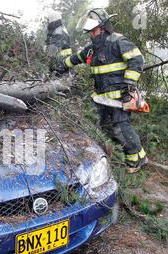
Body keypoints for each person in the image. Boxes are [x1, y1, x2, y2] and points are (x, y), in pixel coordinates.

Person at [60, 8, 148, 173]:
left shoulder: (118, 41)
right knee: (90, 125)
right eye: (89, 32)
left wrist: (129, 86)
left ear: (103, 27)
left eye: (94, 30)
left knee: (121, 129)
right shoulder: (92, 49)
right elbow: (76, 58)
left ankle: (137, 160)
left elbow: (137, 59)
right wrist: (61, 65)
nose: (91, 34)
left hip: (119, 98)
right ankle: (94, 159)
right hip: (100, 98)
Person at [46, 11, 72, 76]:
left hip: (61, 68)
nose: (47, 22)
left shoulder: (58, 33)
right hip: (61, 67)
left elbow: (52, 53)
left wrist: (52, 70)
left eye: (48, 20)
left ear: (53, 20)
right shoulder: (57, 30)